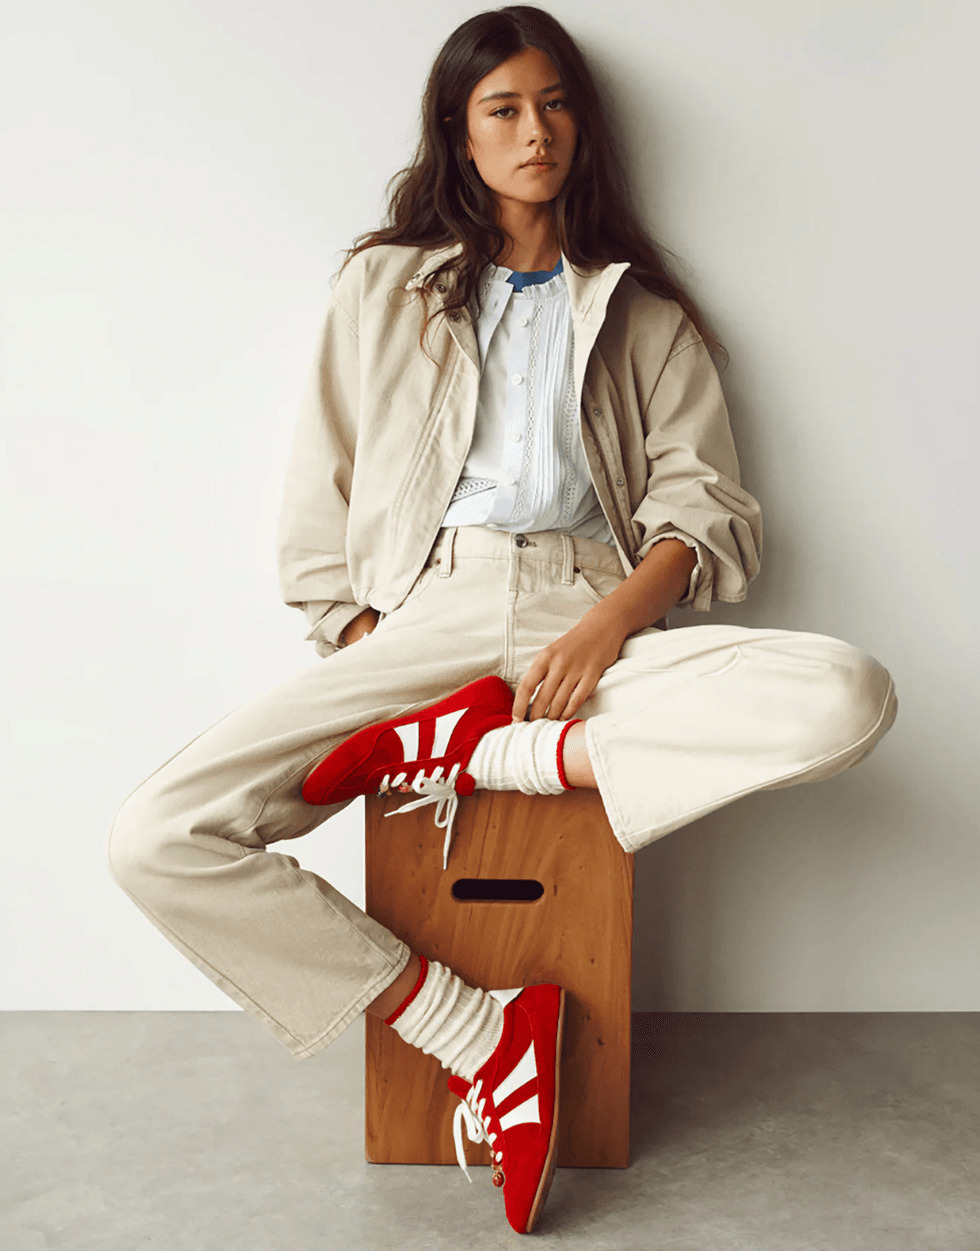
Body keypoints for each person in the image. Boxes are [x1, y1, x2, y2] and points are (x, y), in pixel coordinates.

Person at [107, 5, 898, 1235]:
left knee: (847, 691)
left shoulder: (642, 312)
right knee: (158, 835)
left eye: (556, 104)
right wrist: (373, 652)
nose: (537, 132)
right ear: (457, 134)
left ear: (584, 123)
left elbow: (706, 511)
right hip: (435, 606)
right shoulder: (382, 288)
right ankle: (477, 1032)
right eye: (503, 110)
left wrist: (602, 632)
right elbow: (320, 497)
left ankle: (488, 748)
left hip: (597, 607)